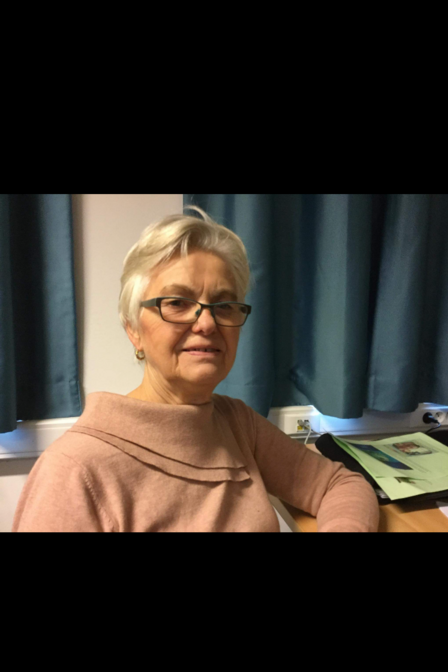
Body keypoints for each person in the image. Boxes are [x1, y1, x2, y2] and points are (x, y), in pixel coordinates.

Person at [12, 207, 379, 532]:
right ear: (133, 329)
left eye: (224, 305)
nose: (207, 323)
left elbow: (339, 484)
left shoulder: (237, 423)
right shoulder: (73, 472)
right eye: (177, 302)